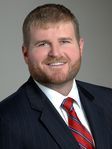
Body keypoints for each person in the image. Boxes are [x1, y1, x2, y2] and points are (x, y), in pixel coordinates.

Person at [0, 3, 112, 149]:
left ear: (80, 47)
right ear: (26, 53)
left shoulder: (108, 100)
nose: (56, 53)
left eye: (64, 41)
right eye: (43, 44)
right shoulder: (6, 120)